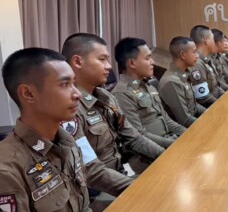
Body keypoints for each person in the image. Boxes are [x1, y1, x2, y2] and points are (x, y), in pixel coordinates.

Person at [0, 48, 132, 212]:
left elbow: (85, 210)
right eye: (64, 85)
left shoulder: (69, 139)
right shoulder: (7, 170)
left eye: (74, 83)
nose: (76, 94)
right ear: (28, 93)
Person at [61, 33, 164, 174]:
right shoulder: (70, 108)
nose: (109, 66)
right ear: (78, 62)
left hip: (121, 173)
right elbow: (91, 171)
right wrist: (131, 184)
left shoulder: (107, 97)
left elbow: (134, 138)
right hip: (101, 184)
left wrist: (166, 155)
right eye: (102, 59)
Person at [112, 37, 186, 149]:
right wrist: (175, 145)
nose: (153, 62)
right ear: (132, 63)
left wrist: (188, 134)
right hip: (152, 152)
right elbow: (139, 136)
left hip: (169, 142)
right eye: (148, 58)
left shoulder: (149, 86)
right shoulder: (122, 94)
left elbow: (166, 120)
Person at [158, 36, 207, 128]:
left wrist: (211, 114)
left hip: (195, 122)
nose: (197, 55)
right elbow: (185, 120)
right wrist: (208, 124)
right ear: (183, 55)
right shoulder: (171, 82)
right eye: (194, 52)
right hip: (185, 130)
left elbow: (194, 107)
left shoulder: (184, 73)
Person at [190, 25, 225, 106]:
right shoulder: (197, 63)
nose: (214, 42)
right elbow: (203, 97)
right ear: (206, 40)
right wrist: (223, 104)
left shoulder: (207, 59)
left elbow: (217, 87)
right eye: (212, 39)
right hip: (211, 108)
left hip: (217, 103)